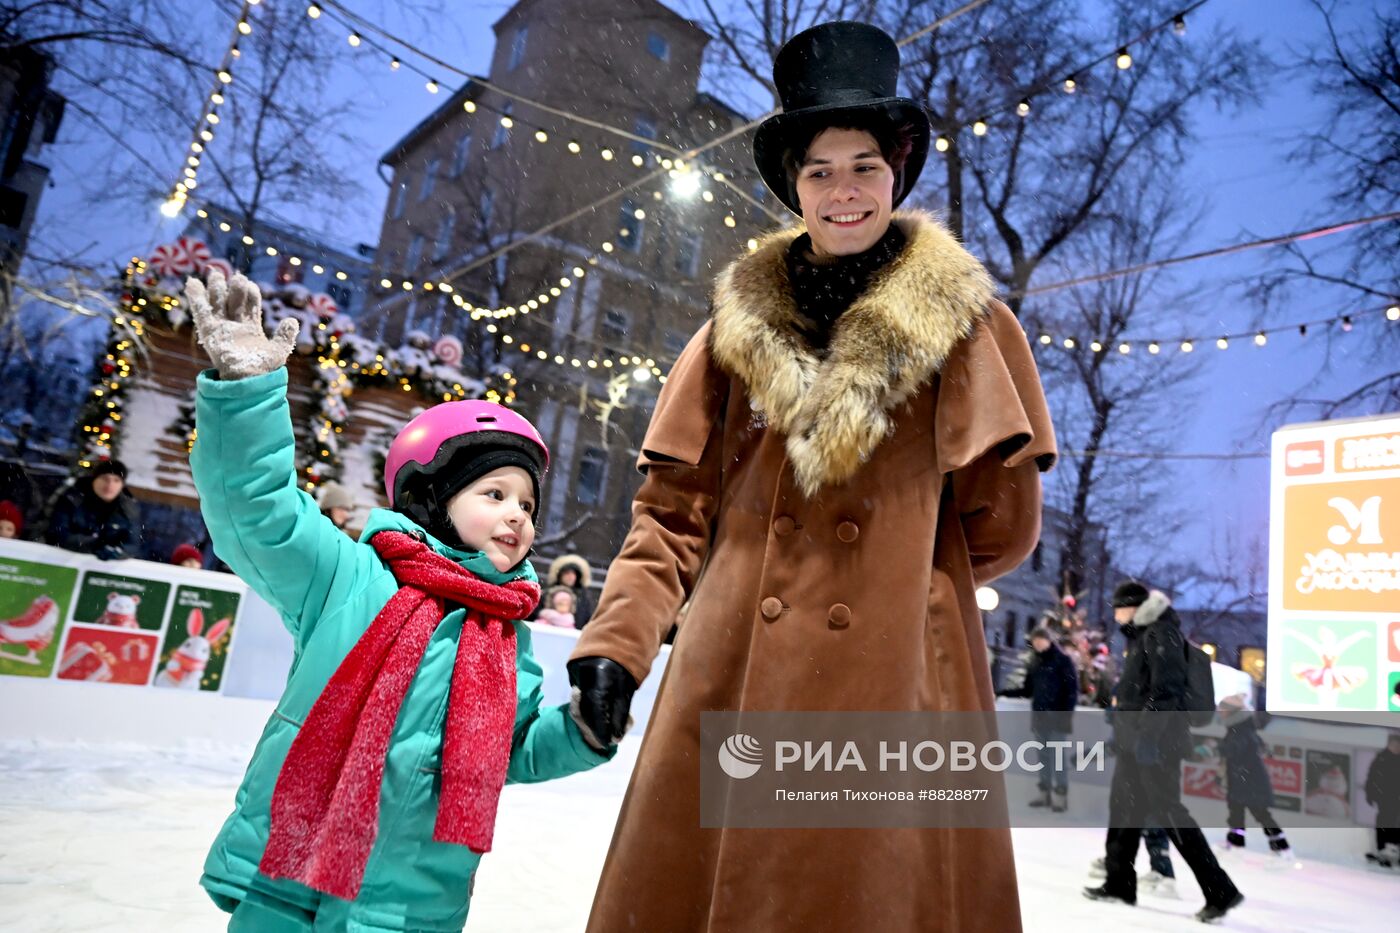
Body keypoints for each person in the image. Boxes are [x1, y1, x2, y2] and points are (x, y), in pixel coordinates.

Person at [565, 21, 1056, 932]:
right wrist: (617, 645)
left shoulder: (970, 329)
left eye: (863, 164)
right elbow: (671, 511)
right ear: (794, 184)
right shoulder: (728, 335)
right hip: (735, 666)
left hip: (893, 680)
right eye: (820, 168)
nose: (843, 190)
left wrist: (905, 583)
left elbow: (1002, 523)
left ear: (895, 176)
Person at [182, 269, 612, 932]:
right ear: (433, 498)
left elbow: (512, 751)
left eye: (526, 502)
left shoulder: (505, 635)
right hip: (290, 881)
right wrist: (246, 394)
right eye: (493, 494)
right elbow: (256, 512)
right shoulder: (352, 579)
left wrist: (582, 730)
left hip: (410, 905)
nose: (516, 515)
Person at [1085, 582, 1244, 923]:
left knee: (1171, 814)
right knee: (1124, 811)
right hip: (1136, 743)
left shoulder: (1162, 634)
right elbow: (1140, 694)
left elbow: (1166, 692)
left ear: (1133, 607)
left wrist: (1148, 739)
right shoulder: (1144, 637)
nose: (1114, 615)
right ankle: (1118, 883)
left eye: (1118, 607)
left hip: (1157, 746)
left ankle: (1221, 892)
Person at [998, 626, 1079, 811]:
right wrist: (1003, 693)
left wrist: (1066, 716)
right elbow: (1027, 690)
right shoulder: (1035, 662)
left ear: (1049, 641)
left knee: (1057, 758)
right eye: (1034, 641)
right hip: (1040, 716)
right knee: (1043, 758)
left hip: (1058, 718)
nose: (1037, 644)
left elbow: (1071, 692)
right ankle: (1044, 794)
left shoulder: (1063, 661)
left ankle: (1060, 795)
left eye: (1040, 640)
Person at [1216, 695, 1292, 858]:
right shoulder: (1239, 729)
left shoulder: (1242, 732)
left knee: (1261, 815)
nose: (1219, 713)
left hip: (1251, 784)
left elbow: (1234, 750)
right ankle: (1236, 844)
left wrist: (1219, 749)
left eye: (1222, 710)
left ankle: (1281, 847)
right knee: (1236, 814)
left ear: (1232, 713)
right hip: (1241, 783)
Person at [43, 460, 141, 560]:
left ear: (122, 485)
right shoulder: (72, 499)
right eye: (105, 479)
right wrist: (94, 545)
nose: (110, 485)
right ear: (94, 479)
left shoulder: (128, 509)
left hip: (102, 569)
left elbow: (133, 545)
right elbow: (57, 534)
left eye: (116, 480)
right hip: (60, 561)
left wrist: (116, 553)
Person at [1364, 732, 1400, 868]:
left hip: (1396, 798)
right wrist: (1370, 794)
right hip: (1385, 799)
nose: (1397, 748)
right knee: (1384, 824)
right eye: (1394, 745)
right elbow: (1372, 777)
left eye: (1398, 745)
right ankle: (1382, 850)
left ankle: (1394, 850)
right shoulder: (1381, 759)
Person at [545, 554, 592, 629]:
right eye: (567, 573)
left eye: (574, 573)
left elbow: (586, 620)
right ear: (560, 575)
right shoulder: (548, 593)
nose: (571, 576)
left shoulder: (583, 598)